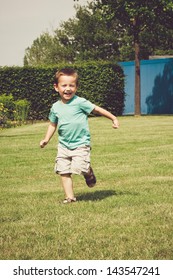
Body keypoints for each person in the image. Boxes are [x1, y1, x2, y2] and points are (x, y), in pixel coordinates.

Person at [40, 68, 119, 204]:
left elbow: (97, 109)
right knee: (63, 171)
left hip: (81, 144)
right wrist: (46, 139)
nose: (68, 89)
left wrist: (113, 118)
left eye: (72, 85)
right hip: (63, 145)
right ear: (56, 87)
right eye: (64, 85)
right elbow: (53, 124)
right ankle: (70, 198)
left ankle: (88, 172)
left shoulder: (80, 102)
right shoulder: (55, 107)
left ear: (76, 87)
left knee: (80, 168)